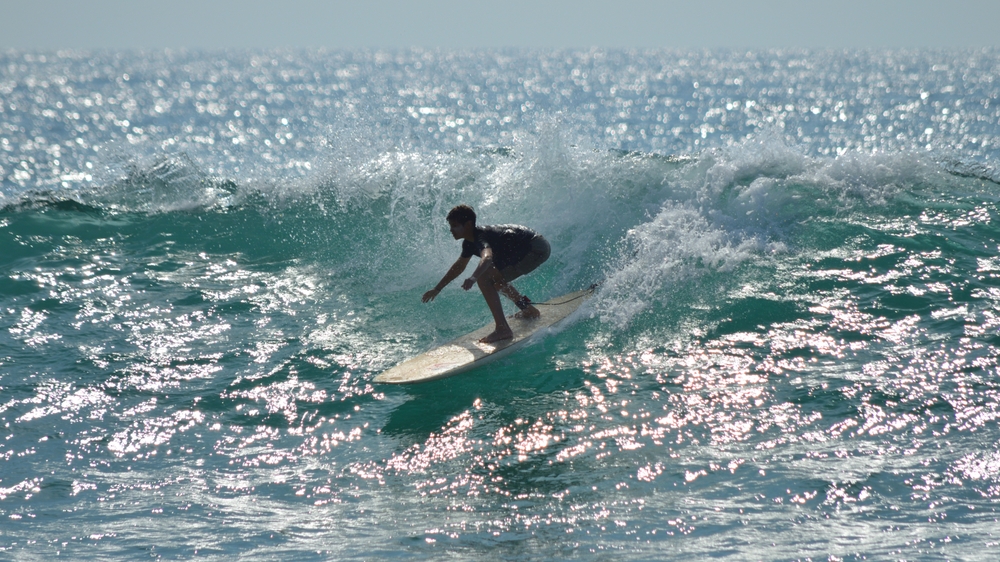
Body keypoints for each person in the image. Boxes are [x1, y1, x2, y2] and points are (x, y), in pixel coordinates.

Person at [422, 204, 551, 343]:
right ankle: (528, 310)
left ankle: (503, 329)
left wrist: (473, 277)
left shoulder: (480, 237)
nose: (451, 230)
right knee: (495, 280)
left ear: (468, 224)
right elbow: (459, 266)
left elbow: (487, 257)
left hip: (535, 248)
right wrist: (437, 288)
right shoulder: (468, 243)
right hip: (528, 247)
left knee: (484, 278)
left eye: (454, 225)